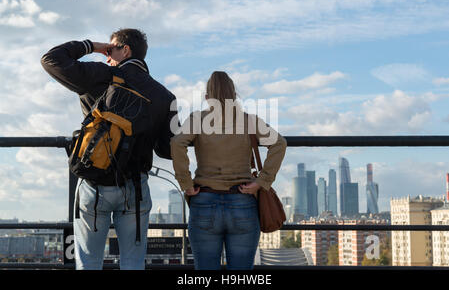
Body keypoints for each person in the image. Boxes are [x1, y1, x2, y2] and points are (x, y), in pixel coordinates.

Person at [41, 28, 178, 270]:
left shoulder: (102, 76)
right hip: (135, 188)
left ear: (125, 50)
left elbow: (51, 59)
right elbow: (167, 150)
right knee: (133, 263)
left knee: (89, 262)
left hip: (95, 183)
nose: (107, 55)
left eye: (111, 49)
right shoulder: (166, 96)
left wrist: (92, 45)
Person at [170, 71, 287, 270]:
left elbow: (177, 143)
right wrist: (262, 182)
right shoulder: (249, 120)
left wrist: (186, 184)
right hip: (242, 201)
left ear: (207, 98)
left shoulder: (198, 119)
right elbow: (279, 144)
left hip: (204, 201)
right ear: (234, 96)